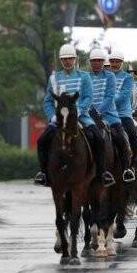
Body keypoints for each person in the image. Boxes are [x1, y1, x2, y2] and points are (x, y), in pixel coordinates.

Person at [34, 44, 113, 187]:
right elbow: (48, 101)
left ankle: (102, 173)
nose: (67, 62)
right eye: (64, 59)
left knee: (98, 139)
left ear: (75, 59)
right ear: (60, 61)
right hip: (60, 118)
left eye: (70, 58)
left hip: (81, 116)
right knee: (42, 140)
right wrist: (52, 116)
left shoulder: (84, 77)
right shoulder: (54, 79)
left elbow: (88, 97)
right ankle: (44, 173)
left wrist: (78, 111)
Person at [89, 48, 135, 183]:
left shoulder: (127, 77)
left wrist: (99, 109)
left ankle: (128, 167)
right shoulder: (90, 77)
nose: (114, 64)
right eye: (113, 61)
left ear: (122, 63)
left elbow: (121, 96)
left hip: (117, 114)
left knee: (127, 135)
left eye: (117, 62)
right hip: (92, 114)